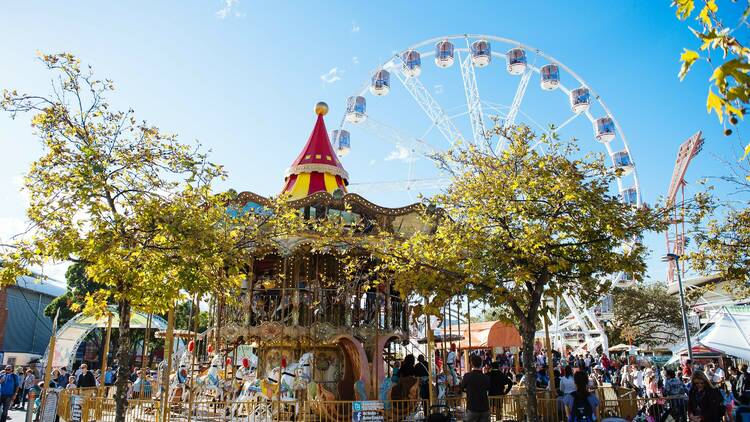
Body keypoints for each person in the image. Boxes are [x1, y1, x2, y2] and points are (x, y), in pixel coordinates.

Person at [461, 354, 490, 422]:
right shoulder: (486, 377)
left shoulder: (467, 376)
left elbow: (462, 388)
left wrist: (468, 390)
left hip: (472, 407)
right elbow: (488, 388)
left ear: (471, 364)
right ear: (481, 364)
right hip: (484, 408)